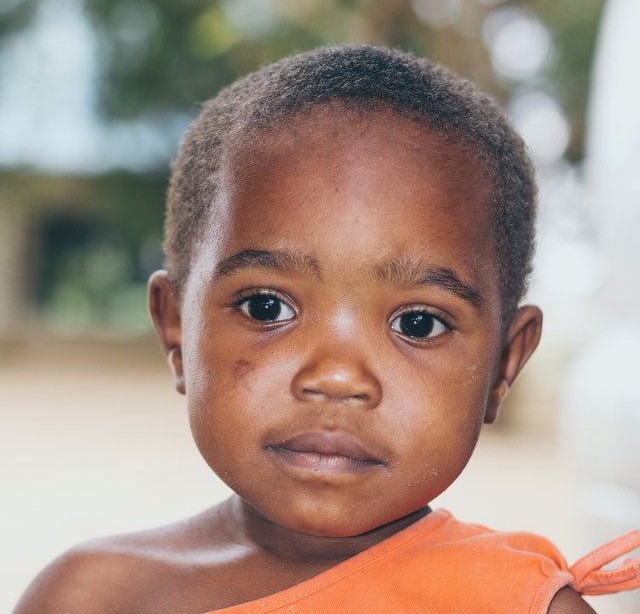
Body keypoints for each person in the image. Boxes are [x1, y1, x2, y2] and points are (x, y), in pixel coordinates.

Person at [13, 45, 639, 614]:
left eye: (417, 323)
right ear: (176, 328)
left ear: (505, 363)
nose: (337, 377)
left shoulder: (514, 606)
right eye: (266, 308)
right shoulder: (93, 598)